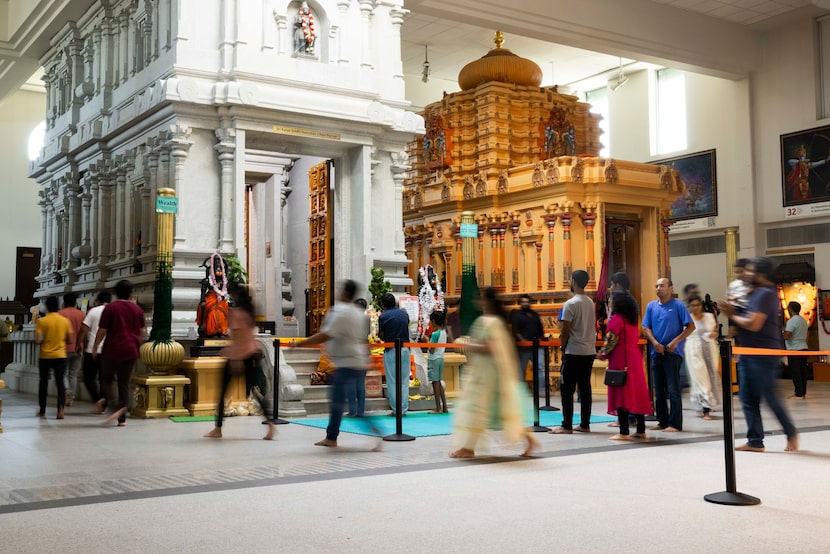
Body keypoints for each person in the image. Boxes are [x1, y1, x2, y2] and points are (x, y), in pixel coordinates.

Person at [717, 257, 799, 452]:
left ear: (762, 275)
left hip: (762, 354)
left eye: (752, 271)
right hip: (749, 352)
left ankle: (791, 432)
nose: (748, 274)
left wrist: (731, 314)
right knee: (747, 397)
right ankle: (755, 441)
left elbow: (754, 324)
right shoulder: (756, 293)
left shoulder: (765, 294)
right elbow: (748, 317)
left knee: (769, 395)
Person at [451, 287, 540, 459]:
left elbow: (491, 347)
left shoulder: (491, 322)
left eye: (481, 298)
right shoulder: (490, 321)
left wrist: (470, 345)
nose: (478, 301)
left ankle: (468, 448)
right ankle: (529, 439)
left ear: (487, 301)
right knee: (496, 413)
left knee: (478, 410)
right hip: (486, 373)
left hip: (489, 376)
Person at [293, 279, 381, 450]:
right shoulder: (358, 313)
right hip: (356, 360)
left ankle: (339, 436)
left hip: (346, 362)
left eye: (341, 290)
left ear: (346, 293)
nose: (338, 293)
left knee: (337, 401)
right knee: (341, 400)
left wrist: (301, 343)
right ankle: (333, 436)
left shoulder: (342, 312)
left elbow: (325, 335)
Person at [205, 285, 275, 440]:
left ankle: (218, 428)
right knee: (255, 393)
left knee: (222, 391)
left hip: (237, 356)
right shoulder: (250, 313)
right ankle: (270, 424)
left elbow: (238, 339)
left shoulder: (236, 314)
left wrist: (236, 360)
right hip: (250, 355)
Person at [598, 290, 652, 440]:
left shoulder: (616, 319)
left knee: (620, 395)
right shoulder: (632, 320)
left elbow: (611, 340)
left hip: (620, 360)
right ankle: (641, 430)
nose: (609, 303)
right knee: (637, 393)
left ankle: (624, 432)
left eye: (611, 301)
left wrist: (602, 354)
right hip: (634, 361)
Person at [642, 278, 694, 432]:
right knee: (659, 389)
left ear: (671, 288)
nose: (659, 288)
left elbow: (691, 327)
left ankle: (675, 423)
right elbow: (646, 327)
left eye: (662, 286)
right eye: (656, 286)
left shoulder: (678, 306)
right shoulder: (651, 306)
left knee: (673, 389)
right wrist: (655, 343)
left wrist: (676, 341)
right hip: (656, 352)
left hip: (673, 353)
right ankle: (662, 421)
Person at [92, 280, 146, 427]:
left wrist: (95, 347)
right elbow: (142, 332)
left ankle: (115, 406)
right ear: (131, 293)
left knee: (106, 379)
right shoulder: (137, 310)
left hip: (113, 349)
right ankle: (122, 419)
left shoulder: (111, 308)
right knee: (124, 383)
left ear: (116, 292)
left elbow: (102, 330)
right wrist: (136, 345)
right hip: (131, 350)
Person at [549, 270, 597, 434]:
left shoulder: (570, 304)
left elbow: (565, 330)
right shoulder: (590, 302)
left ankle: (567, 425)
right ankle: (585, 423)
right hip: (589, 351)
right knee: (585, 388)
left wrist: (562, 346)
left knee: (567, 389)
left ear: (574, 281)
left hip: (574, 351)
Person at [34, 296, 73, 419]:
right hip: (60, 355)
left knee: (43, 382)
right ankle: (60, 409)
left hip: (45, 356)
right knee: (60, 382)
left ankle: (42, 409)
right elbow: (70, 340)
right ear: (58, 306)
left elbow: (38, 340)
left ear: (46, 307)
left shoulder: (42, 321)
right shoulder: (65, 321)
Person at [685, 294, 721, 420]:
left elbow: (715, 331)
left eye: (697, 305)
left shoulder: (709, 316)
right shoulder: (688, 319)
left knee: (710, 377)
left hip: (709, 349)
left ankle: (707, 404)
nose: (695, 308)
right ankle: (705, 410)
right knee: (700, 380)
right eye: (692, 305)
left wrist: (713, 334)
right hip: (694, 350)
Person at [76, 290, 111, 413]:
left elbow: (83, 330)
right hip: (108, 351)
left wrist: (78, 344)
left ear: (98, 300)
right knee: (104, 380)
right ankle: (103, 405)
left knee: (88, 377)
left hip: (92, 349)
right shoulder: (112, 311)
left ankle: (97, 399)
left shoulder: (94, 311)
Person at [378, 292, 410, 416]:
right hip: (405, 349)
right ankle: (404, 409)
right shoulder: (404, 313)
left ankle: (396, 410)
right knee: (404, 380)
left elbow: (381, 335)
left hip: (391, 349)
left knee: (392, 381)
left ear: (383, 304)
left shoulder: (383, 316)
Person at [510, 293, 545, 391]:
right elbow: (516, 331)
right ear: (520, 303)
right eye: (523, 302)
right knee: (522, 369)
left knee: (539, 368)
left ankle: (540, 390)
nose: (525, 304)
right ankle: (521, 391)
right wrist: (523, 341)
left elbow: (540, 329)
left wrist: (542, 340)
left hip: (537, 347)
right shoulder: (517, 315)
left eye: (527, 302)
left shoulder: (534, 315)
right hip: (524, 348)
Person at [58, 292, 85, 407]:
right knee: (73, 374)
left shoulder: (60, 314)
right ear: (75, 303)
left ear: (64, 302)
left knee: (62, 373)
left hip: (63, 347)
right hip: (78, 347)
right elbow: (85, 331)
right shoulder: (82, 314)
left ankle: (66, 391)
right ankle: (71, 398)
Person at [346, 298, 369, 417]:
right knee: (360, 384)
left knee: (351, 384)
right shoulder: (367, 319)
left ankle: (352, 410)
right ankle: (360, 411)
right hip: (363, 353)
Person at [784, 301, 809, 400]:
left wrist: (783, 332)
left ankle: (798, 393)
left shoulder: (792, 321)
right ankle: (802, 392)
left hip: (794, 349)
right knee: (803, 372)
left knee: (796, 372)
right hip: (804, 347)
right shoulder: (803, 320)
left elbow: (787, 336)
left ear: (790, 309)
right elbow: (807, 335)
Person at [427, 310, 449, 414]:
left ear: (434, 321)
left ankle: (438, 408)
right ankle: (444, 406)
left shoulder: (435, 334)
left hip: (434, 359)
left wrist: (426, 341)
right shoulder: (444, 332)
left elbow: (431, 349)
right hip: (441, 358)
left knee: (435, 383)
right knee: (439, 382)